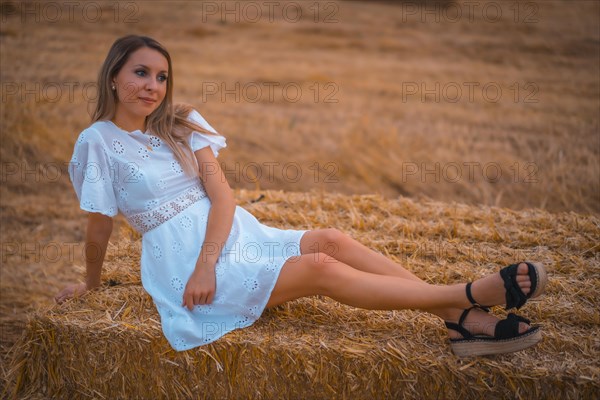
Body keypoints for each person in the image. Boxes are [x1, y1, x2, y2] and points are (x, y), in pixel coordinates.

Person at [55, 35, 548, 357]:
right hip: (181, 260)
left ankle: (460, 317)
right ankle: (465, 301)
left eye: (162, 76)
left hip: (231, 233)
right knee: (321, 270)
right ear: (114, 74)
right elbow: (99, 223)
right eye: (141, 73)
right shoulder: (95, 142)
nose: (153, 86)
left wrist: (212, 255)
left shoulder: (181, 124)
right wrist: (93, 286)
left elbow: (222, 197)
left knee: (329, 240)